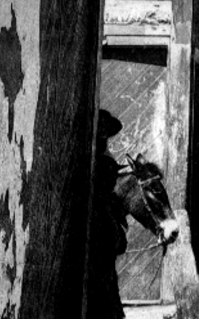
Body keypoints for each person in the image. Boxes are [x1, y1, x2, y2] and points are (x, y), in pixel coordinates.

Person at [87, 109, 127, 319]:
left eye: (107, 133)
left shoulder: (104, 154)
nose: (105, 136)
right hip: (96, 215)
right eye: (102, 131)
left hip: (103, 211)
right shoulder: (95, 156)